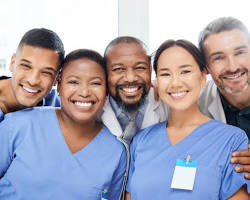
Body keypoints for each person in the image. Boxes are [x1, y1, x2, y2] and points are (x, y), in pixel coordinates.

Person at [125, 40, 249, 199]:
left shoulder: (232, 141)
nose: (175, 83)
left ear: (203, 77)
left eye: (185, 71)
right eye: (165, 74)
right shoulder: (141, 141)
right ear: (156, 81)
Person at [0, 49, 126, 199]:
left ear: (106, 90)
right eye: (73, 82)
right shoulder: (18, 125)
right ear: (59, 85)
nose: (84, 92)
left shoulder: (116, 152)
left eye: (95, 83)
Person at [198, 17, 250, 179]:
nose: (232, 67)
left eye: (240, 52)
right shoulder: (197, 100)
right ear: (205, 68)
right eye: (218, 58)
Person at [0, 28, 65, 121]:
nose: (33, 81)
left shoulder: (59, 105)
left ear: (57, 79)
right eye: (26, 66)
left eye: (46, 72)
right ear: (12, 63)